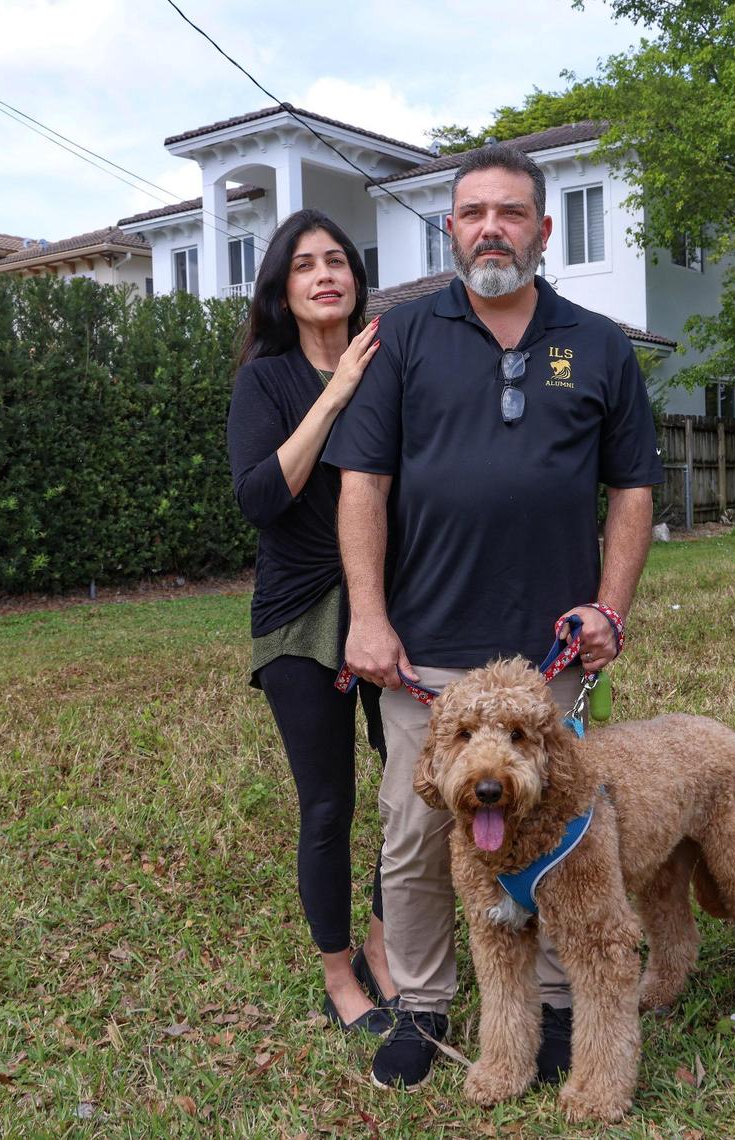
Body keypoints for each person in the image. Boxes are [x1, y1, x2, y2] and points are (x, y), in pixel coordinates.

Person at [322, 145, 662, 1090]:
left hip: (547, 659)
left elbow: (632, 489)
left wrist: (611, 608)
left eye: (511, 213)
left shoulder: (597, 344)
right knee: (414, 830)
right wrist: (368, 616)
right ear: (450, 227)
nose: (490, 229)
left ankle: (557, 1011)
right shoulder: (406, 336)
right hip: (420, 656)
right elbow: (364, 485)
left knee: (561, 833)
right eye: (472, 213)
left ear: (544, 231)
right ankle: (423, 1009)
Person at [226, 208, 397, 1036]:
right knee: (329, 804)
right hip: (299, 616)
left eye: (338, 261)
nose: (325, 274)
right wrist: (334, 395)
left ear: (357, 279)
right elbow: (262, 498)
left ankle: (382, 938)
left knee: (413, 792)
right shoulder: (267, 381)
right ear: (283, 292)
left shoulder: (390, 363)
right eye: (305, 266)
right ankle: (340, 977)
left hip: (390, 606)